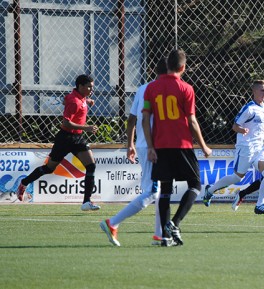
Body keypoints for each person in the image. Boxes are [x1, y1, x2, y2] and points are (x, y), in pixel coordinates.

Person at [142, 49, 212, 247]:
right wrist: (204, 146)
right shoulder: (186, 88)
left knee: (165, 189)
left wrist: (150, 146)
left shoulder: (151, 88)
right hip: (181, 145)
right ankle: (175, 223)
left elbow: (146, 118)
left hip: (161, 146)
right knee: (196, 185)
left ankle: (165, 237)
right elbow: (191, 120)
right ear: (183, 67)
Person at [202, 80, 264, 215]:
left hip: (259, 148)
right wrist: (242, 130)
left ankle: (260, 205)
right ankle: (210, 191)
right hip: (246, 148)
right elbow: (235, 126)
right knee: (237, 178)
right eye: (261, 90)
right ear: (254, 91)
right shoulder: (249, 108)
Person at [100, 58, 167, 247]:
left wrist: (131, 144)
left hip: (146, 145)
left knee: (160, 192)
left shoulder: (142, 88)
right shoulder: (162, 90)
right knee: (153, 192)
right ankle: (112, 222)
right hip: (153, 147)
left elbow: (131, 119)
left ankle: (159, 235)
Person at [16, 74, 100, 211]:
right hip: (65, 138)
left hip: (78, 138)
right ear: (81, 86)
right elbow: (66, 123)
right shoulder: (74, 101)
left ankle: (86, 202)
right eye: (89, 87)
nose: (91, 89)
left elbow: (65, 100)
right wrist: (87, 128)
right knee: (49, 168)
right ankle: (24, 183)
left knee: (91, 166)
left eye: (92, 87)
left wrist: (88, 100)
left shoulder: (78, 97)